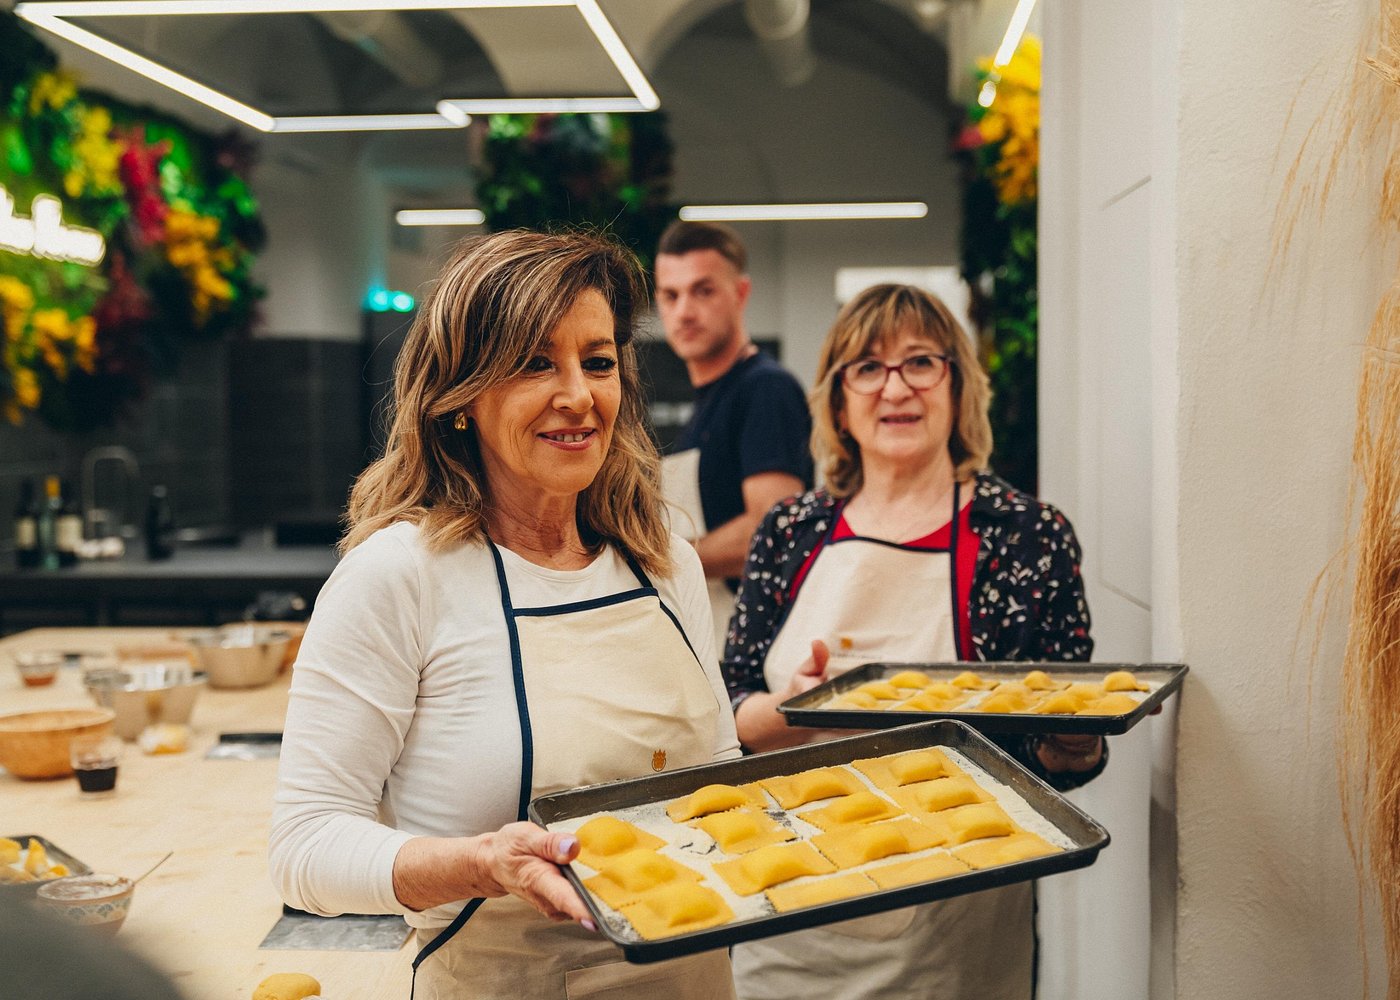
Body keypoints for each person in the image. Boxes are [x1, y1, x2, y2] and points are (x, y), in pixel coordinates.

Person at [269, 230, 741, 1000]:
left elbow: (718, 776)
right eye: (533, 364)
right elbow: (304, 846)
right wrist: (481, 864)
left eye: (597, 361)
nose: (579, 396)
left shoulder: (665, 562)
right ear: (460, 395)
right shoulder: (399, 576)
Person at [721, 283, 1103, 1000]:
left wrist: (1074, 742)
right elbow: (729, 709)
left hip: (954, 922)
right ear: (837, 401)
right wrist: (792, 708)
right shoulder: (789, 531)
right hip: (789, 909)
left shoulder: (1024, 536)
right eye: (867, 367)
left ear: (957, 386)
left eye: (921, 362)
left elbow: (1058, 753)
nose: (895, 387)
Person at [654, 221, 813, 651]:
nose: (684, 311)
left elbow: (770, 528)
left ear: (740, 294)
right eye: (671, 295)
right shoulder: (708, 399)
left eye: (703, 291)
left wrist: (653, 559)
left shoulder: (765, 388)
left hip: (757, 645)